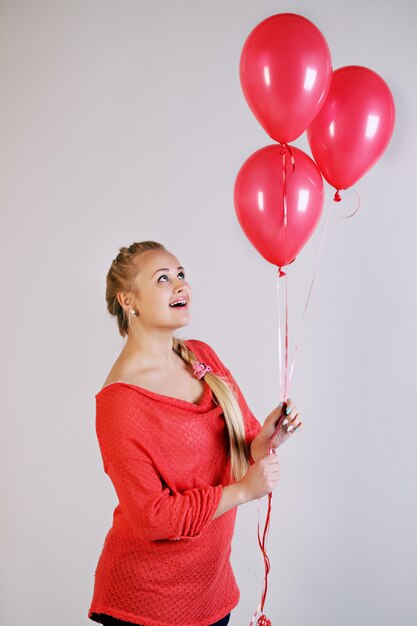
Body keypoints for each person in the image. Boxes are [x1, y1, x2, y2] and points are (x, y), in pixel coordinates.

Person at [88, 241, 302, 626]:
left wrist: (266, 439)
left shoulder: (201, 355)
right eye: (163, 279)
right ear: (128, 300)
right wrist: (242, 492)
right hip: (147, 606)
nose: (180, 285)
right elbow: (153, 518)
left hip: (212, 593)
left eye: (181, 274)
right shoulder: (119, 404)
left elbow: (243, 444)